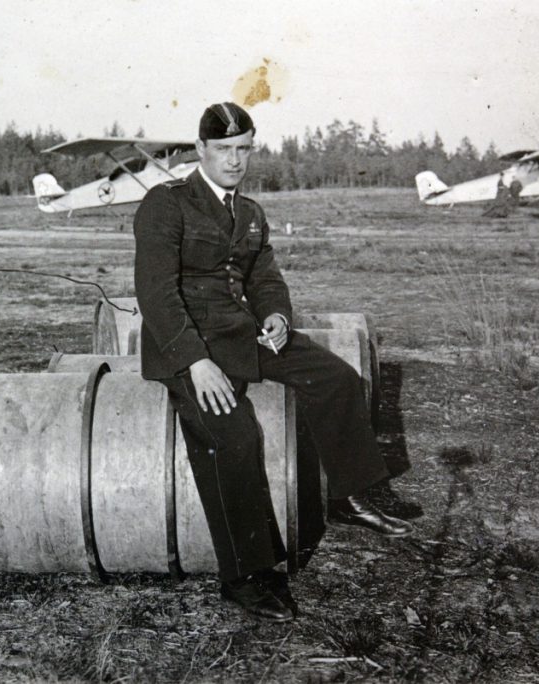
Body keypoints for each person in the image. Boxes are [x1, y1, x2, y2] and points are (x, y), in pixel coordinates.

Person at [133, 102, 410, 622]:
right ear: (200, 150)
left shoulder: (252, 212)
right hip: (187, 346)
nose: (235, 161)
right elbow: (156, 294)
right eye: (223, 150)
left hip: (244, 335)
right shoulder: (165, 204)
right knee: (234, 438)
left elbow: (264, 279)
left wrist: (278, 316)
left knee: (337, 379)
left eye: (244, 150)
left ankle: (346, 496)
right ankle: (244, 576)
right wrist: (195, 362)